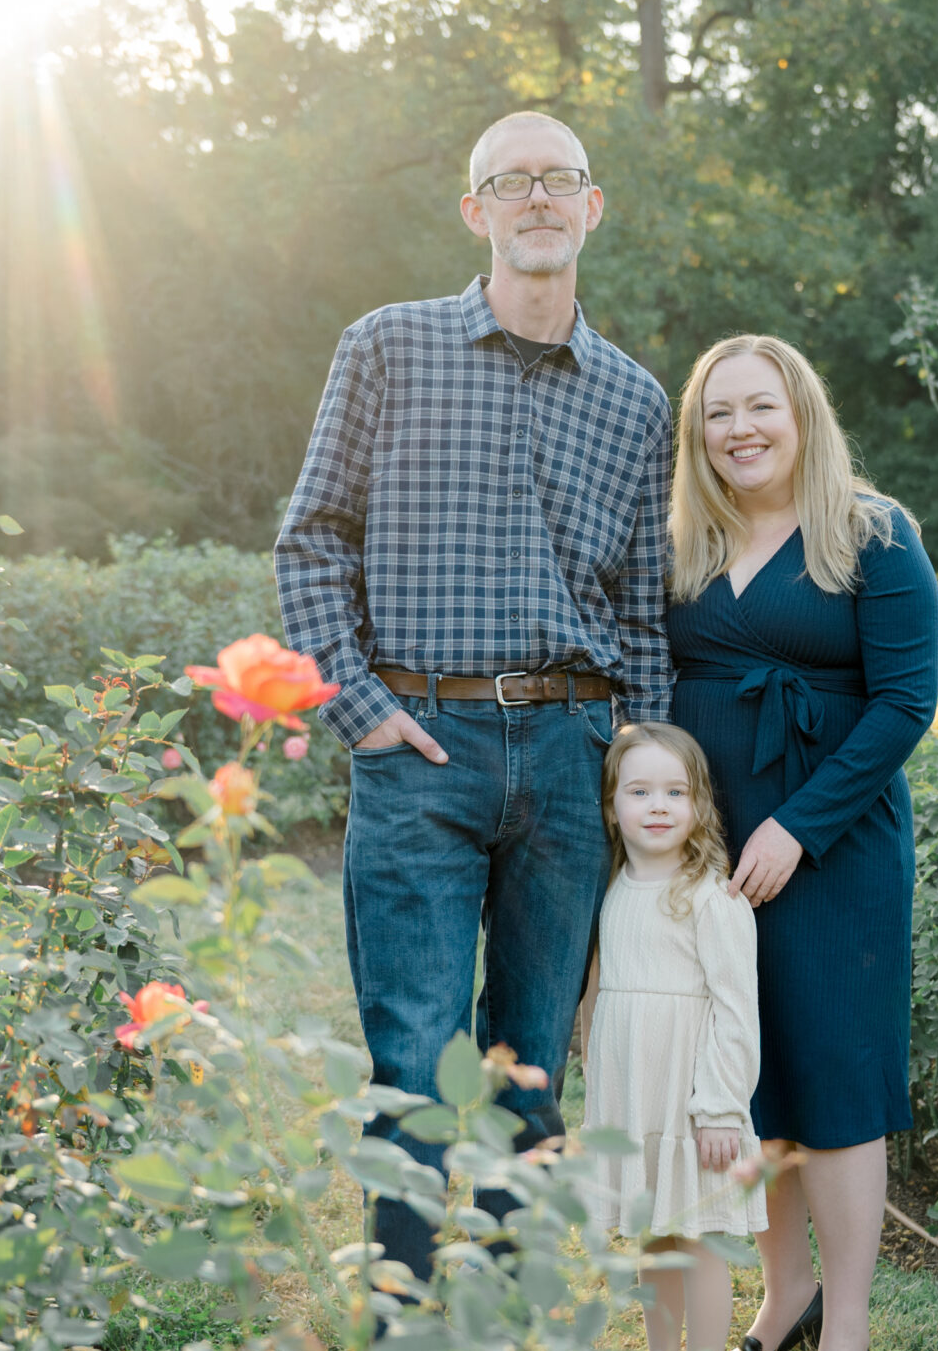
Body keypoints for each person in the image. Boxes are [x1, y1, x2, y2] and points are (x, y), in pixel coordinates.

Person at [273, 112, 676, 1290]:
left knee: (531, 1063)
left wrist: (635, 765)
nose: (539, 199)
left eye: (561, 182)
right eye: (513, 182)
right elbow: (311, 543)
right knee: (414, 1059)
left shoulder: (634, 402)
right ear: (477, 212)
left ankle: (504, 1349)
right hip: (422, 743)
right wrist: (359, 712)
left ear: (593, 208)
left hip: (570, 753)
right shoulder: (387, 348)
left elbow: (641, 610)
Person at [663, 334, 938, 1351]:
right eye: (717, 414)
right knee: (748, 1074)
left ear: (801, 414)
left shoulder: (871, 534)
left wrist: (797, 828)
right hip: (710, 854)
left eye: (759, 408)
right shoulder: (687, 537)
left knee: (834, 1079)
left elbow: (903, 704)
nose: (739, 430)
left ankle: (849, 1332)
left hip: (830, 850)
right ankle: (782, 1297)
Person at [576, 722, 765, 1351]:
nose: (657, 805)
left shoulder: (711, 894)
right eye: (639, 790)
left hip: (695, 1105)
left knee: (700, 1239)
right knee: (653, 1239)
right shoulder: (612, 886)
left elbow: (735, 1009)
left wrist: (720, 1106)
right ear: (612, 803)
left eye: (675, 791)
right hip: (635, 1099)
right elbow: (599, 996)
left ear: (699, 805)